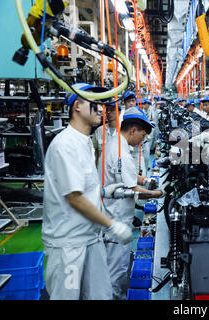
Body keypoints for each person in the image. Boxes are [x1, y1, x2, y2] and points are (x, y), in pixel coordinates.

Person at [42, 83, 133, 300]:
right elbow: (74, 198)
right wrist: (112, 224)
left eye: (103, 104)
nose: (102, 109)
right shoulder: (66, 144)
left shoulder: (85, 142)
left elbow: (81, 185)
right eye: (96, 103)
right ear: (77, 106)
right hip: (69, 246)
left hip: (91, 239)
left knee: (101, 295)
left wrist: (104, 191)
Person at [100, 106, 164, 300]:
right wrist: (159, 193)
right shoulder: (122, 153)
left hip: (109, 216)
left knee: (111, 267)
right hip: (115, 219)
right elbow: (133, 193)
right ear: (133, 130)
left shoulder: (115, 144)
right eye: (143, 136)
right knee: (116, 271)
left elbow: (126, 176)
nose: (143, 141)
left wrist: (144, 180)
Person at [92, 101, 120, 167]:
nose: (108, 112)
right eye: (107, 110)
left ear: (119, 112)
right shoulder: (99, 130)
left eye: (112, 110)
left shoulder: (124, 130)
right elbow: (95, 152)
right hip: (101, 169)